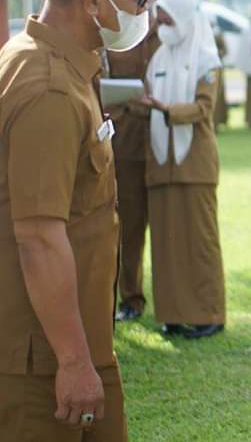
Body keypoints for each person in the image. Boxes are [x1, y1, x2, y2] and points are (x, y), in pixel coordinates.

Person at [0, 0, 183, 440]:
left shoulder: (58, 62)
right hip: (44, 357)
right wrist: (75, 363)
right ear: (95, 0)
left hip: (67, 340)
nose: (147, 9)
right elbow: (38, 236)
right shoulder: (49, 88)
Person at [138, 0, 227, 339]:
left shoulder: (207, 61)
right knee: (166, 242)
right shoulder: (158, 59)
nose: (161, 26)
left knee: (199, 241)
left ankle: (209, 314)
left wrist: (163, 109)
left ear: (186, 21)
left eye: (167, 20)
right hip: (161, 164)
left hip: (195, 164)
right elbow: (147, 97)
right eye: (159, 20)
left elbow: (204, 109)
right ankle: (172, 315)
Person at [105, 16, 161, 322]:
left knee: (171, 227)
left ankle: (173, 302)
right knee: (130, 226)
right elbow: (103, 92)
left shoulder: (171, 36)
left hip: (168, 147)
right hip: (127, 147)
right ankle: (131, 298)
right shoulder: (115, 38)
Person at [212, 19, 229, 129]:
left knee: (218, 94)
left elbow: (225, 50)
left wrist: (217, 54)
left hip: (217, 66)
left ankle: (217, 122)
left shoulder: (218, 34)